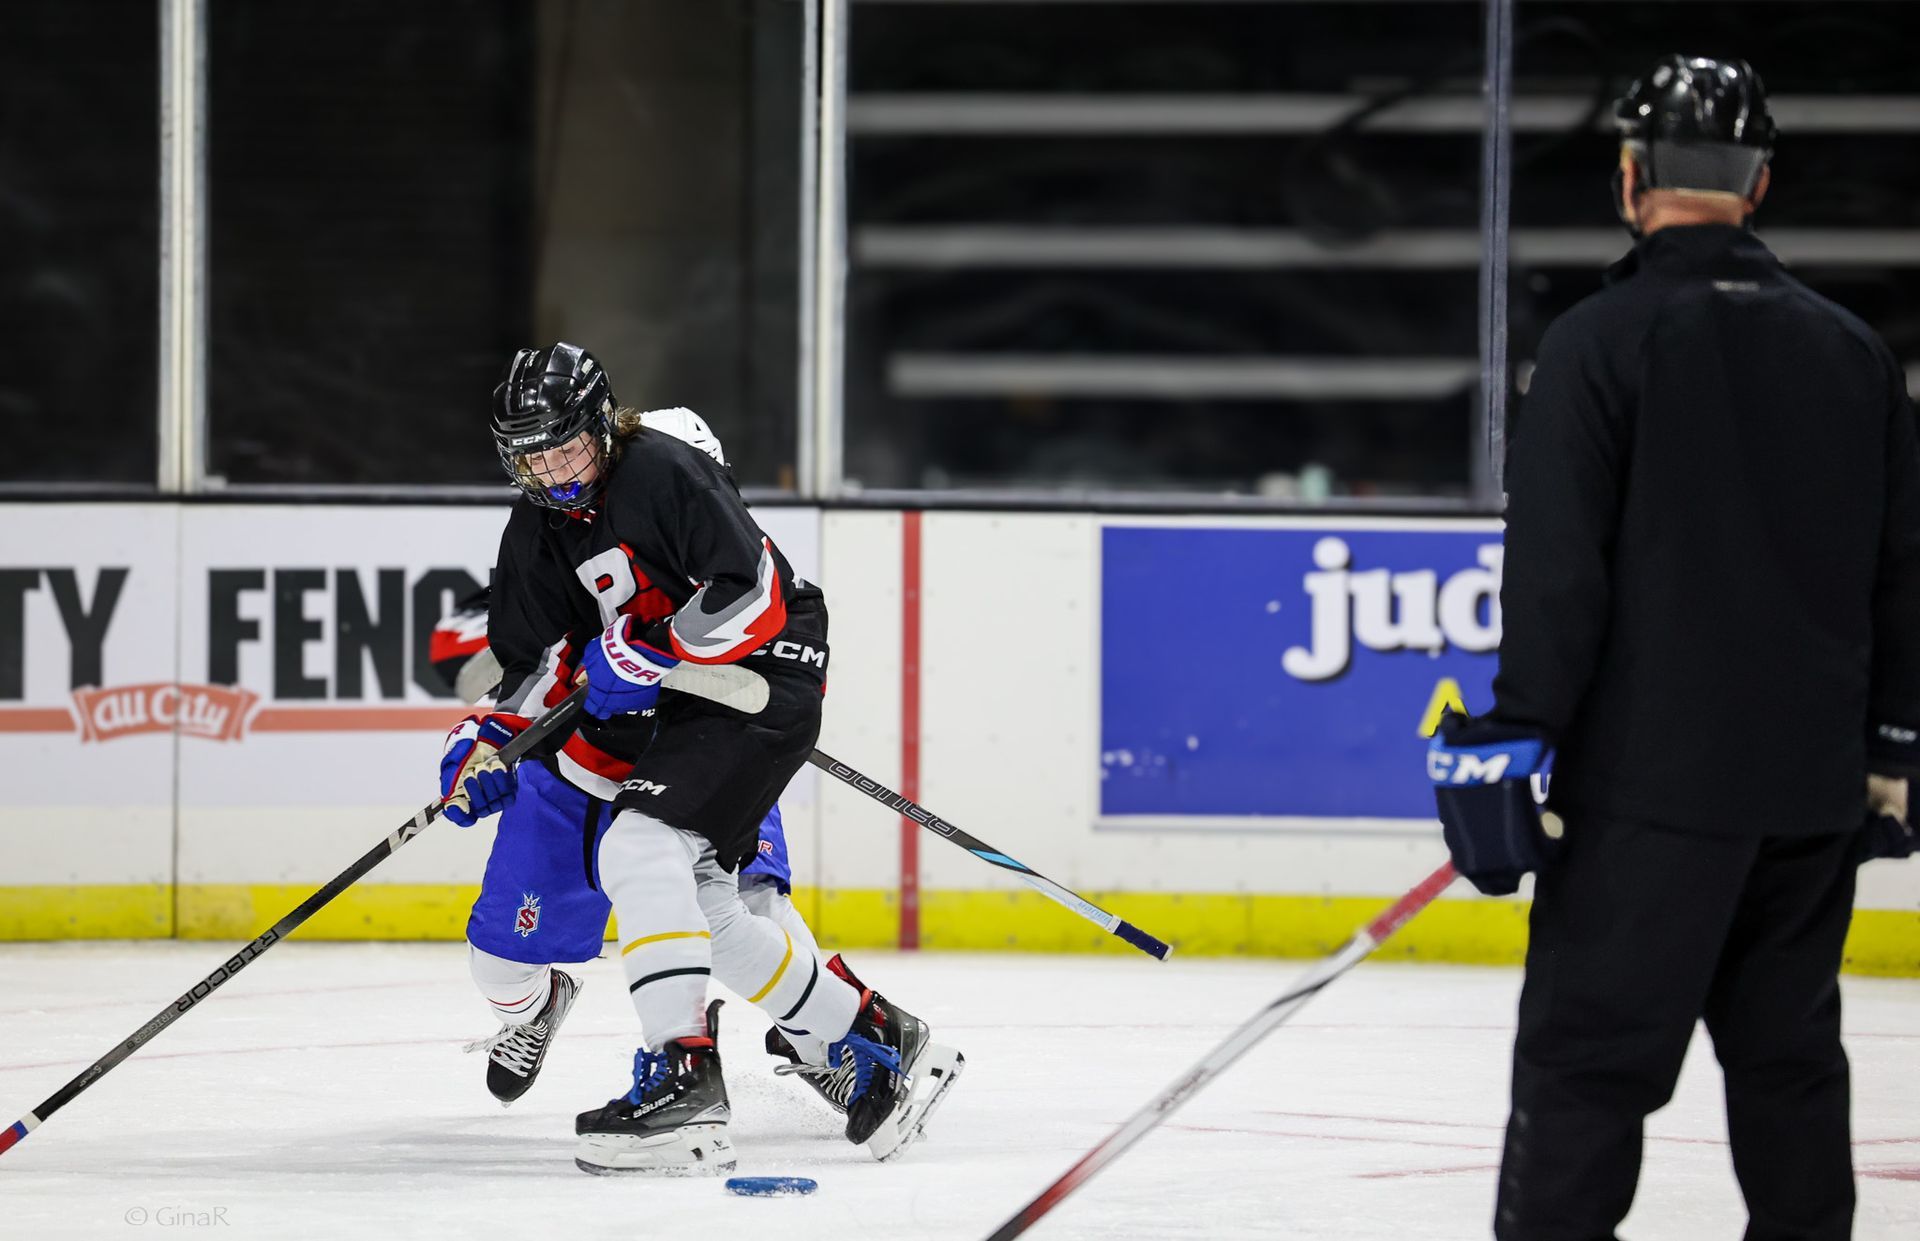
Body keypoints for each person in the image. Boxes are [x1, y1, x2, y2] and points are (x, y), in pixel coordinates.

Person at [1427, 56, 1920, 1240]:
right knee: (1790, 1066)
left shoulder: (1600, 341)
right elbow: (1904, 572)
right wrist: (1895, 744)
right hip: (1808, 796)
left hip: (1649, 795)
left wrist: (1516, 733)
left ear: (1631, 175)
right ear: (1758, 184)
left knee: (1588, 1066)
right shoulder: (1853, 352)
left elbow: (1556, 575)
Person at [437, 347, 962, 1174]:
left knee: (642, 848)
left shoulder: (660, 470)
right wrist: (491, 738)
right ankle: (880, 1039)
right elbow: (534, 666)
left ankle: (686, 1076)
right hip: (685, 711)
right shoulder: (537, 527)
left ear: (600, 425)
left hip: (758, 674)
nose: (553, 470)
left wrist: (657, 648)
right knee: (703, 909)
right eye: (532, 456)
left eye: (565, 447)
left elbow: (754, 594)